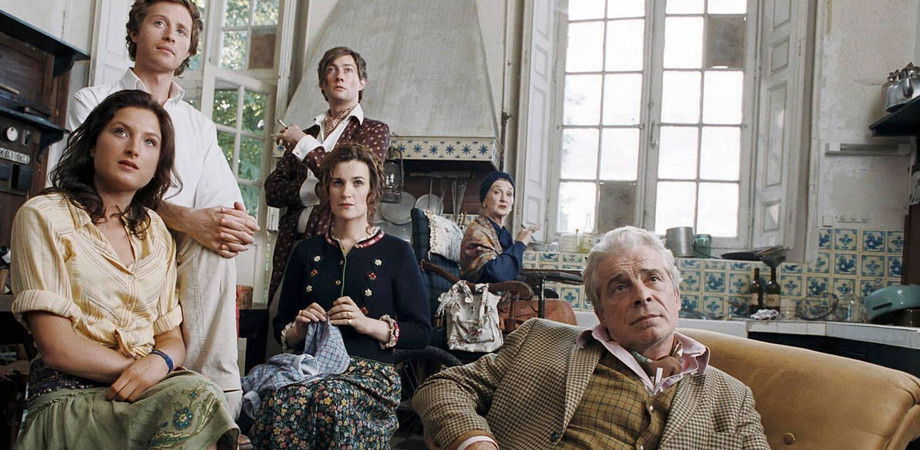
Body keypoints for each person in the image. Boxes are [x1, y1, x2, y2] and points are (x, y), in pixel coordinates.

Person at [49, 0, 260, 415]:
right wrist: (187, 219)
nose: (170, 36)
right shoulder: (95, 100)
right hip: (107, 237)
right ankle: (206, 400)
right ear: (134, 32)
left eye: (181, 31)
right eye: (159, 23)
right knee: (201, 239)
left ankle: (216, 400)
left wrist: (231, 224)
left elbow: (224, 207)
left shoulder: (199, 126)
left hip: (173, 250)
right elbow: (84, 184)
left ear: (189, 49)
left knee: (215, 249)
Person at [11, 90, 238, 449]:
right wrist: (146, 372)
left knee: (200, 398)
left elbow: (170, 337)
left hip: (148, 392)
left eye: (150, 142)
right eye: (120, 132)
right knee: (194, 398)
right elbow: (56, 346)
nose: (134, 149)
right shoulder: (44, 216)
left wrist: (159, 364)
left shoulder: (156, 232)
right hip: (70, 397)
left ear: (158, 164)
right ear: (92, 144)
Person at [414, 226, 770, 449]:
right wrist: (474, 441)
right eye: (620, 286)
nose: (642, 295)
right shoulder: (539, 340)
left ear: (676, 296)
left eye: (653, 279)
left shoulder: (732, 397)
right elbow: (444, 385)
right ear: (600, 312)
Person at [250, 143, 431, 448]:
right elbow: (281, 325)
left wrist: (367, 324)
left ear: (371, 191)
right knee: (280, 400)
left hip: (370, 376)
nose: (347, 192)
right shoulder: (305, 251)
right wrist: (298, 329)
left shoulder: (398, 252)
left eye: (357, 183)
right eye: (338, 182)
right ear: (327, 191)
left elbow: (422, 332)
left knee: (330, 399)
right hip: (309, 370)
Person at [265, 46, 390, 305]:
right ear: (323, 84)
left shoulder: (373, 131)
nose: (339, 76)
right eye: (331, 70)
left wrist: (303, 145)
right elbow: (272, 190)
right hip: (291, 245)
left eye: (348, 70)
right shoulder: (309, 132)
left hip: (342, 247)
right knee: (282, 318)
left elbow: (355, 179)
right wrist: (314, 190)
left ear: (362, 82)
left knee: (331, 316)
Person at [460, 171, 541, 283]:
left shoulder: (503, 234)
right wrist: (520, 243)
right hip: (480, 293)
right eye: (497, 192)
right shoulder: (476, 232)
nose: (504, 199)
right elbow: (497, 274)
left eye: (509, 194)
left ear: (511, 205)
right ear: (484, 201)